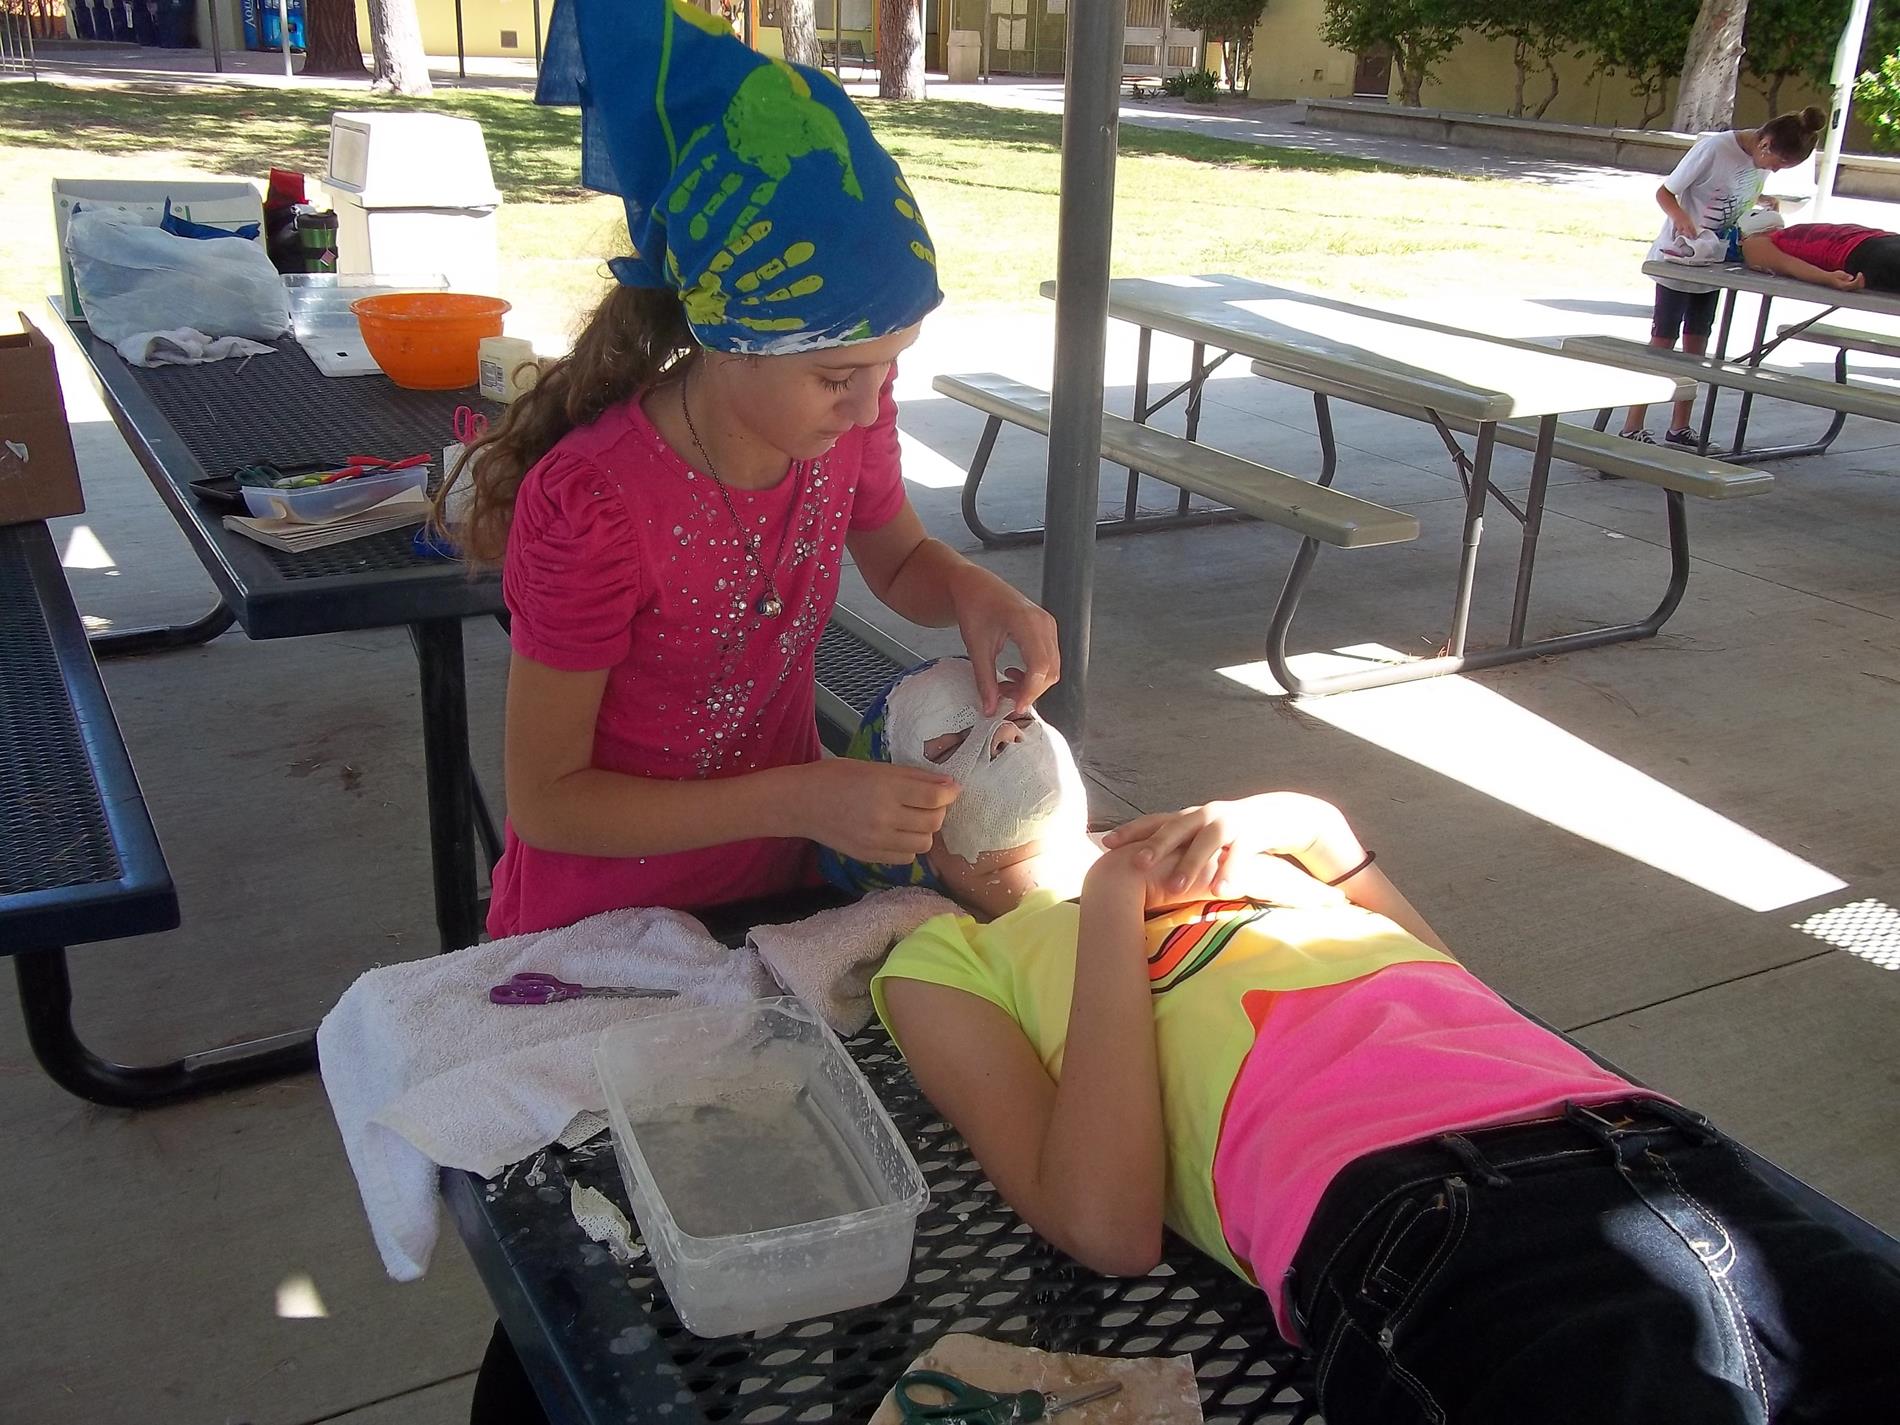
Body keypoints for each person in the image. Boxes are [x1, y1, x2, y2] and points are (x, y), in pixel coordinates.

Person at [845, 657, 1900, 1425]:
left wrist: (1310, 825)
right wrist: (1109, 907)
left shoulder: (1221, 846)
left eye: (1013, 704)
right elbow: (1104, 1228)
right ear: (904, 831)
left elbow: (1457, 997)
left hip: (1659, 1145)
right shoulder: (947, 964)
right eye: (946, 735)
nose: (1005, 729)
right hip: (1429, 1220)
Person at [445, 0, 1057, 944]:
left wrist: (974, 589)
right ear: (727, 340)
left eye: (888, 370)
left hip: (775, 903)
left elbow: (896, 560)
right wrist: (801, 795)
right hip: (601, 930)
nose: (868, 406)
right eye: (837, 376)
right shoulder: (596, 504)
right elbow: (550, 800)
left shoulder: (842, 427)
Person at [1620, 108, 1827, 450]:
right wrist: (1682, 219)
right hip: (1679, 255)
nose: (1773, 170)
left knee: (1698, 342)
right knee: (1663, 339)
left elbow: (1731, 192)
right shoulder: (1715, 148)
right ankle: (1633, 424)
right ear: (1765, 142)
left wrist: (1762, 202)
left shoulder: (1756, 161)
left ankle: (1680, 425)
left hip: (1715, 259)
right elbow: (1666, 192)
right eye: (1776, 163)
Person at [1741, 212, 1892, 293]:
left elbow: (1789, 265)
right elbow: (1788, 265)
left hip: (1866, 250)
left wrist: (1827, 278)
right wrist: (1827, 278)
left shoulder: (1777, 237)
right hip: (1871, 246)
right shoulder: (1755, 243)